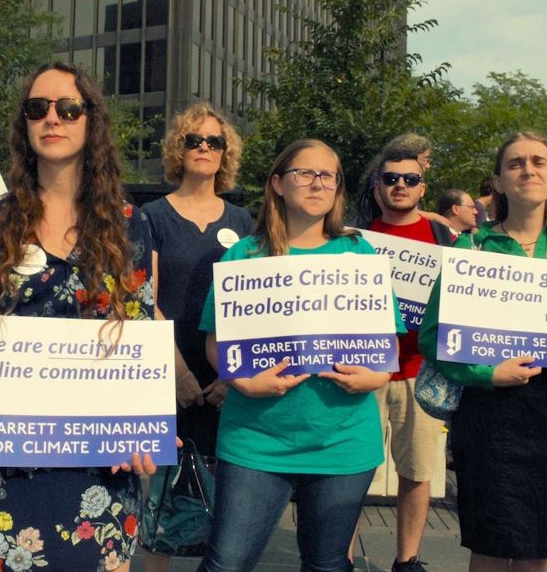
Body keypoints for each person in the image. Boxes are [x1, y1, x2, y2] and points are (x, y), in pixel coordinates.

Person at [0, 61, 158, 571]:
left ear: (90, 120)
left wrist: (146, 426)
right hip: (8, 459)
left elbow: (138, 331)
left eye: (67, 108)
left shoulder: (128, 224)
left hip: (100, 458)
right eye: (38, 108)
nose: (52, 118)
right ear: (25, 125)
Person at [196, 139, 404, 572]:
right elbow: (216, 342)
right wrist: (242, 381)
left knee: (328, 565)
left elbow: (387, 343)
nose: (317, 183)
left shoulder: (360, 254)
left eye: (327, 175)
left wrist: (377, 377)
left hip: (343, 442)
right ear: (277, 183)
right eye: (304, 173)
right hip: (255, 440)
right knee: (226, 564)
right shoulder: (244, 256)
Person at [419, 131, 547, 571]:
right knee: (487, 545)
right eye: (516, 163)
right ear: (499, 181)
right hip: (489, 416)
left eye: (538, 162)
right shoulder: (472, 249)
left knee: (537, 550)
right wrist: (487, 374)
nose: (528, 169)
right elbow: (432, 337)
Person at [139, 103, 252, 569]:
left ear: (226, 154)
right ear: (178, 149)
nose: (204, 148)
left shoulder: (244, 221)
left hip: (227, 378)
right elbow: (146, 298)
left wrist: (234, 375)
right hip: (167, 368)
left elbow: (254, 307)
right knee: (158, 506)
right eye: (194, 140)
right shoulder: (151, 216)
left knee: (225, 505)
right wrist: (178, 372)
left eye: (214, 141)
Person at [368, 143, 453, 572]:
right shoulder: (356, 239)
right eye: (390, 178)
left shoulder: (444, 239)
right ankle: (339, 558)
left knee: (416, 472)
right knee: (351, 472)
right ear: (378, 186)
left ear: (422, 187)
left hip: (419, 373)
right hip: (365, 372)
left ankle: (407, 560)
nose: (400, 185)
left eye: (410, 179)